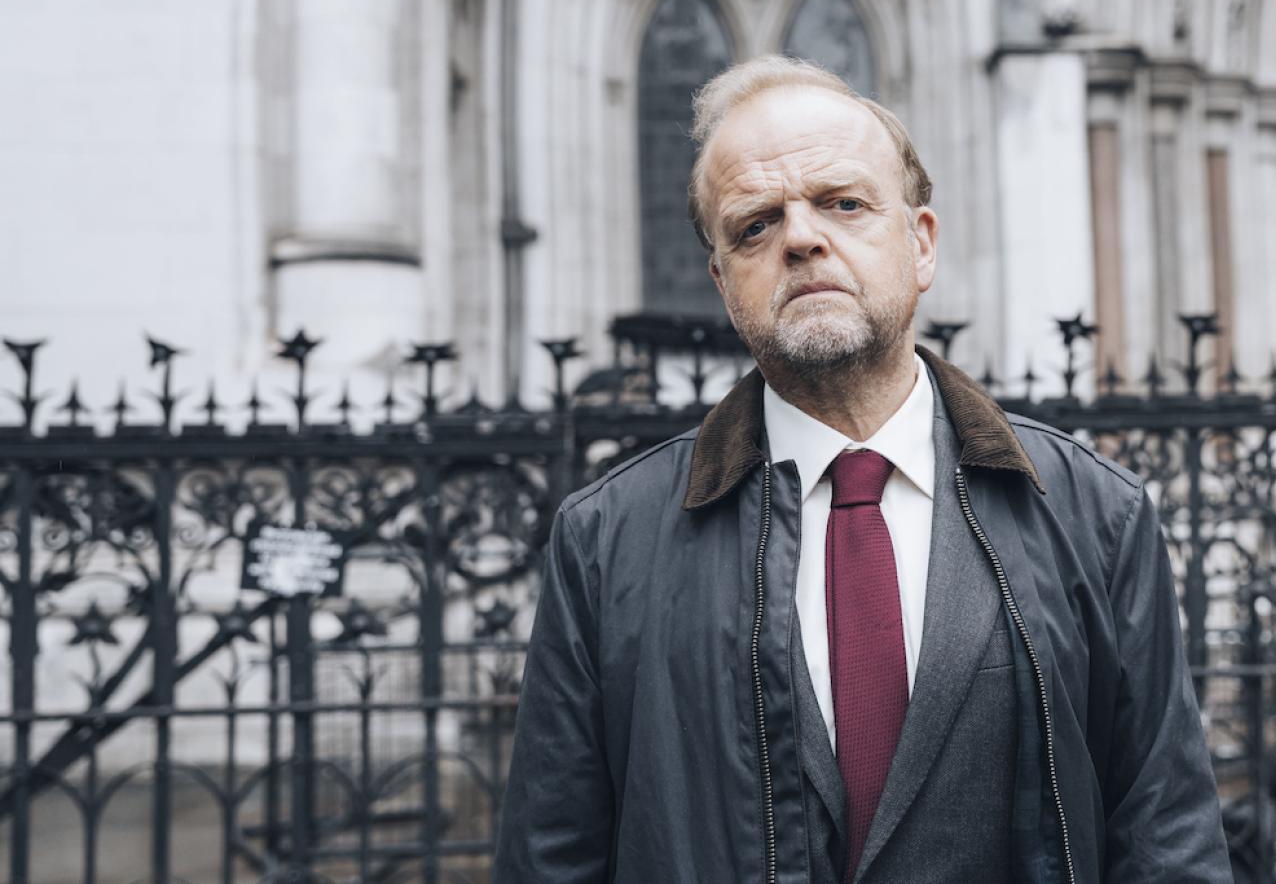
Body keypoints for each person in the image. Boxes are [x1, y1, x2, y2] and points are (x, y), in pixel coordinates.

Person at [494, 55, 1233, 883]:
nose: (802, 237)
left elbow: (1167, 835)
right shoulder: (606, 543)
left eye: (843, 204)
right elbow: (550, 857)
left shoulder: (1096, 513)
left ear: (920, 244)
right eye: (755, 226)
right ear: (724, 283)